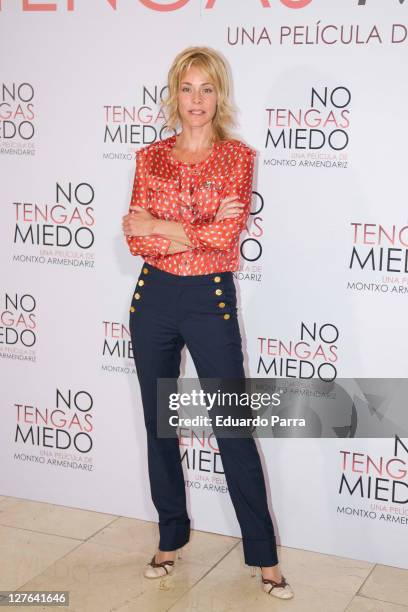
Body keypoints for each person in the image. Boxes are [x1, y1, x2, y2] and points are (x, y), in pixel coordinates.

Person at [121, 46, 294, 601]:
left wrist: (164, 224)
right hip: (153, 299)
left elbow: (226, 236)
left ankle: (264, 556)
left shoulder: (237, 157)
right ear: (174, 94)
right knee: (159, 423)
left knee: (233, 429)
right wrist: (183, 226)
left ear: (220, 96)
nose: (196, 100)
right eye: (188, 88)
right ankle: (170, 537)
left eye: (207, 89)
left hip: (209, 299)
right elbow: (135, 234)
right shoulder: (150, 157)